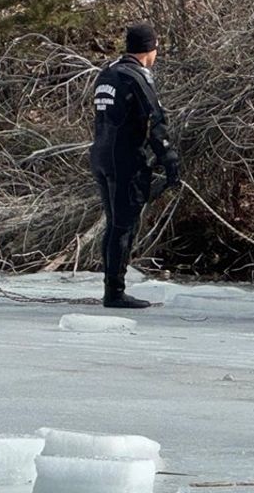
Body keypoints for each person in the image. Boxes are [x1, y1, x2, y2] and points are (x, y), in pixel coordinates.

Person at [88, 22, 180, 309]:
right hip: (123, 161)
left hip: (101, 157)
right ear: (150, 49)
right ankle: (114, 293)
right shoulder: (136, 77)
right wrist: (169, 160)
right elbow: (156, 121)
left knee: (115, 225)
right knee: (123, 226)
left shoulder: (108, 74)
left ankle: (111, 289)